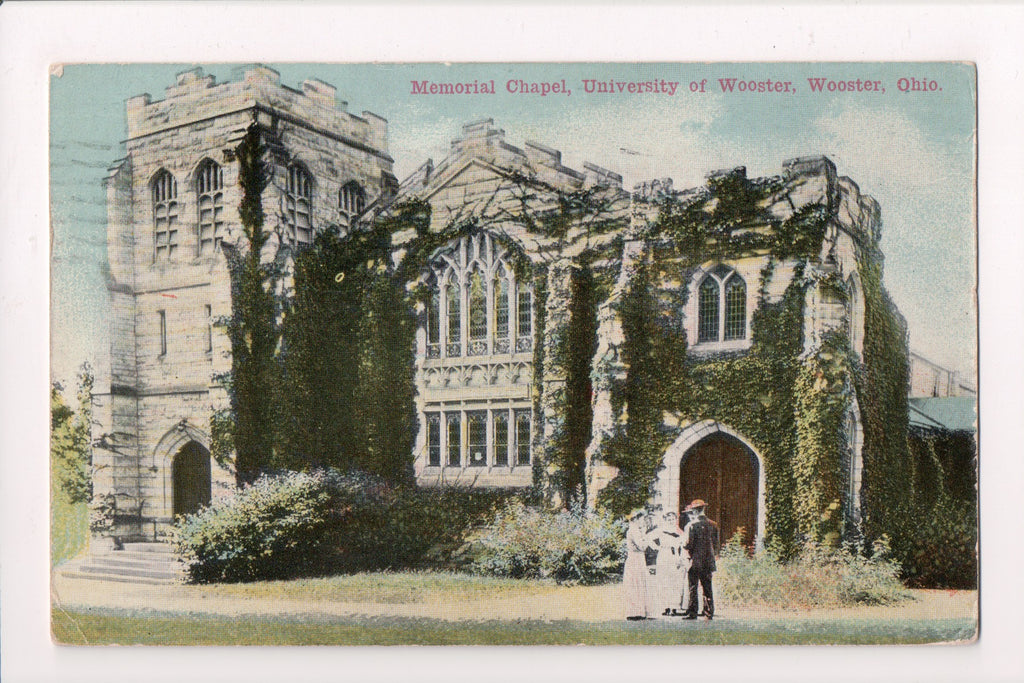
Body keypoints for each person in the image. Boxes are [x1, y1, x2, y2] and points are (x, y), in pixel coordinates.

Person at [681, 499, 720, 620]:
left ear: (694, 511)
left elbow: (688, 544)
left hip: (695, 560)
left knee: (693, 586)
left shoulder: (691, 525)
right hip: (708, 561)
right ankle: (708, 612)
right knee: (707, 587)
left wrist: (684, 545)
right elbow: (716, 543)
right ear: (703, 509)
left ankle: (693, 612)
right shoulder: (713, 524)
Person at [623, 508, 654, 620]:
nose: (643, 521)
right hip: (635, 559)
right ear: (636, 519)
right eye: (642, 519)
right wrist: (647, 537)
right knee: (636, 583)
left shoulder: (635, 530)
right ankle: (635, 611)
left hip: (638, 558)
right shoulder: (634, 530)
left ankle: (639, 611)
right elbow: (642, 546)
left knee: (638, 583)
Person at [654, 510, 686, 616]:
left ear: (676, 520)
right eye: (669, 519)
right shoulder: (660, 530)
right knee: (664, 581)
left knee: (675, 581)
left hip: (675, 555)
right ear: (665, 520)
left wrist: (681, 558)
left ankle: (674, 607)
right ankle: (665, 606)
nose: (671, 521)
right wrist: (657, 547)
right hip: (664, 555)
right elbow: (649, 538)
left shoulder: (680, 532)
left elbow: (683, 545)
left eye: (673, 519)